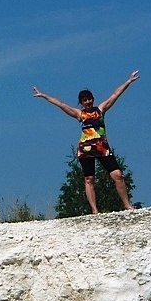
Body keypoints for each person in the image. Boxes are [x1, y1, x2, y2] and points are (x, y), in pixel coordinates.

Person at [32, 70, 139, 214]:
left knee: (117, 175)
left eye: (89, 99)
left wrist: (128, 81)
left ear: (93, 99)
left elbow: (115, 95)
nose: (87, 102)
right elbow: (61, 104)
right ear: (81, 102)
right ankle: (95, 211)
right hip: (86, 150)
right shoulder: (79, 114)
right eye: (84, 100)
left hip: (102, 148)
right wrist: (44, 96)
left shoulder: (100, 110)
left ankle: (127, 205)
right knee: (89, 179)